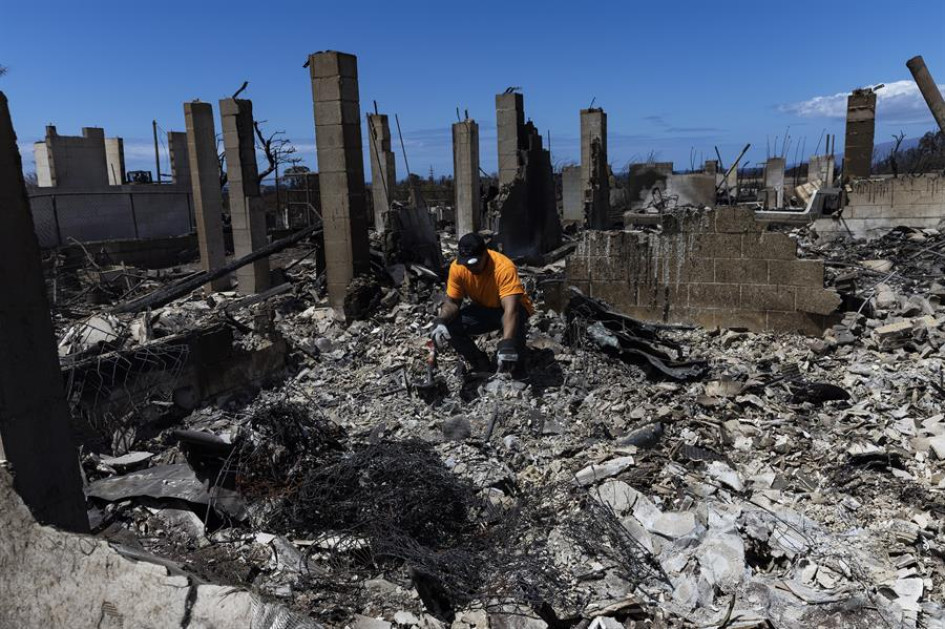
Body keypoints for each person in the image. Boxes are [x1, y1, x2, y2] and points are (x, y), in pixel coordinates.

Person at [430, 233, 533, 375]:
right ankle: (479, 362)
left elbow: (511, 310)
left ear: (485, 253)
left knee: (517, 321)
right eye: (466, 263)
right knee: (451, 326)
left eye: (474, 263)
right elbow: (453, 302)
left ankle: (518, 370)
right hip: (485, 308)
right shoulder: (458, 268)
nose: (470, 267)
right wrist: (441, 320)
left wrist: (507, 343)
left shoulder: (503, 267)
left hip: (512, 309)